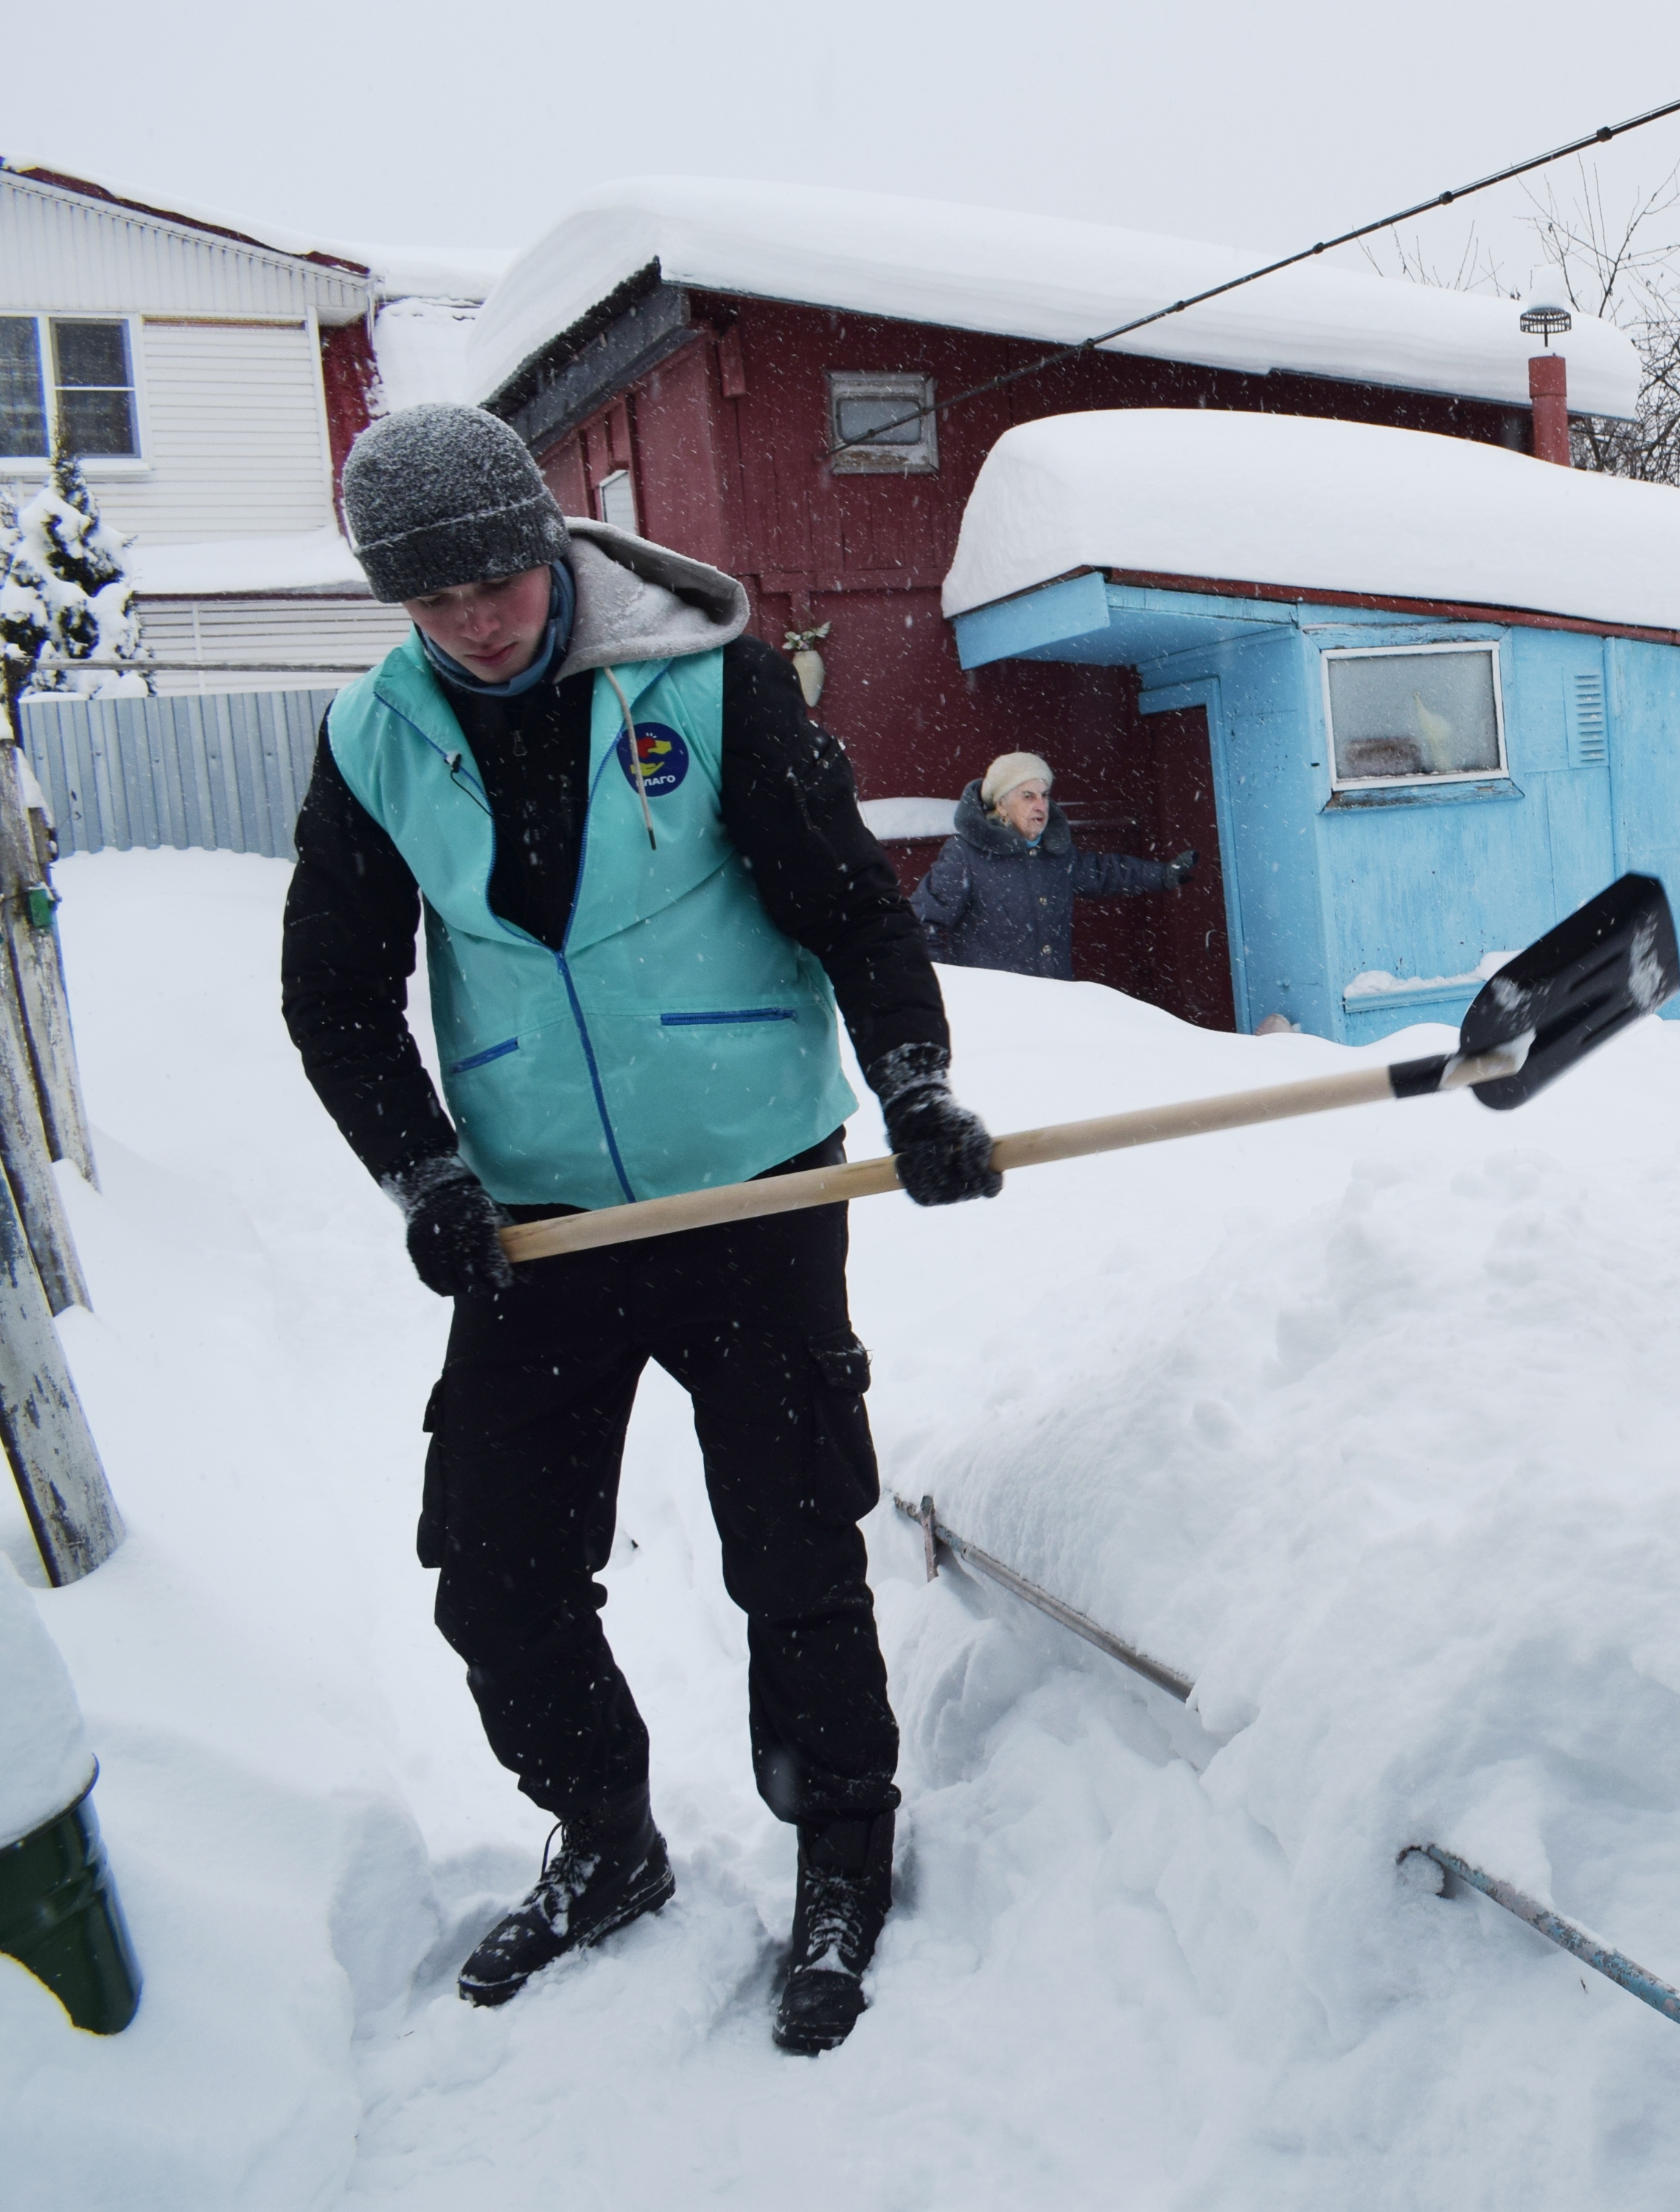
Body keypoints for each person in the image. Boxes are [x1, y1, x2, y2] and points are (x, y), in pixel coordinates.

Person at [280, 402, 1005, 2055]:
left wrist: (912, 1086)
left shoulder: (701, 674)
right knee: (495, 1566)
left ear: (540, 540)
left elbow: (840, 894)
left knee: (795, 1545)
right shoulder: (375, 735)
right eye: (433, 593)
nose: (477, 614)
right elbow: (334, 990)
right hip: (539, 1214)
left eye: (493, 572)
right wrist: (427, 1177)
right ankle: (604, 1839)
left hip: (749, 1178)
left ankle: (840, 1856)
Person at [908, 752, 1196, 979]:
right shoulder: (967, 855)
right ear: (1002, 804)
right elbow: (920, 923)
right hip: (996, 1011)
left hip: (1056, 1002)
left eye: (1044, 795)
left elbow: (1105, 873)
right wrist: (946, 986)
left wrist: (1162, 875)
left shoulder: (1055, 854)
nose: (1041, 805)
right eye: (1028, 796)